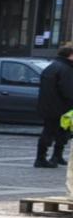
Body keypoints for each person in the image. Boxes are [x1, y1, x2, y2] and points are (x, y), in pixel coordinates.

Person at [35, 41, 71, 169]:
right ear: (70, 55)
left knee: (59, 132)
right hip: (60, 107)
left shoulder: (53, 66)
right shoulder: (66, 69)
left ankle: (56, 156)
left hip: (49, 106)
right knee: (52, 133)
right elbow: (68, 91)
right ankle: (41, 159)